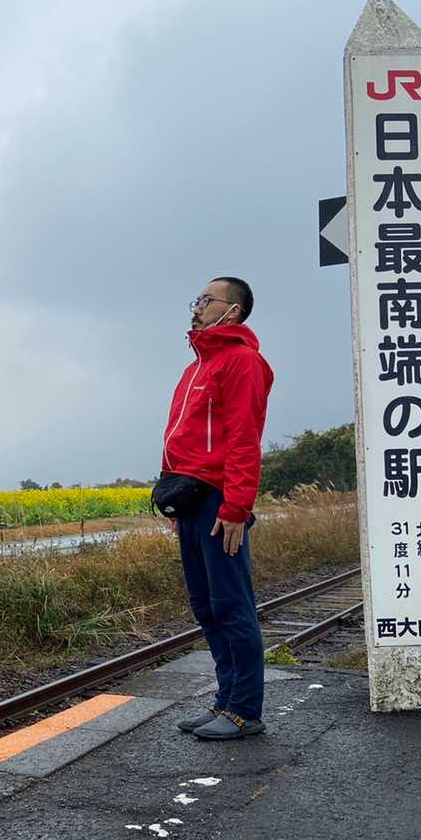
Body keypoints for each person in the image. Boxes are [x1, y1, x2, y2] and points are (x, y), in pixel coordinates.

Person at [161, 276, 274, 740]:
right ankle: (225, 700)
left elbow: (244, 439)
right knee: (206, 606)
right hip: (190, 500)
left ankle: (245, 710)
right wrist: (173, 497)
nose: (198, 306)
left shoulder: (243, 362)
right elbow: (183, 438)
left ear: (234, 311)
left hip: (218, 501)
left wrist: (235, 507)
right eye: (198, 299)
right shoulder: (198, 366)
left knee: (231, 605)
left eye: (207, 300)